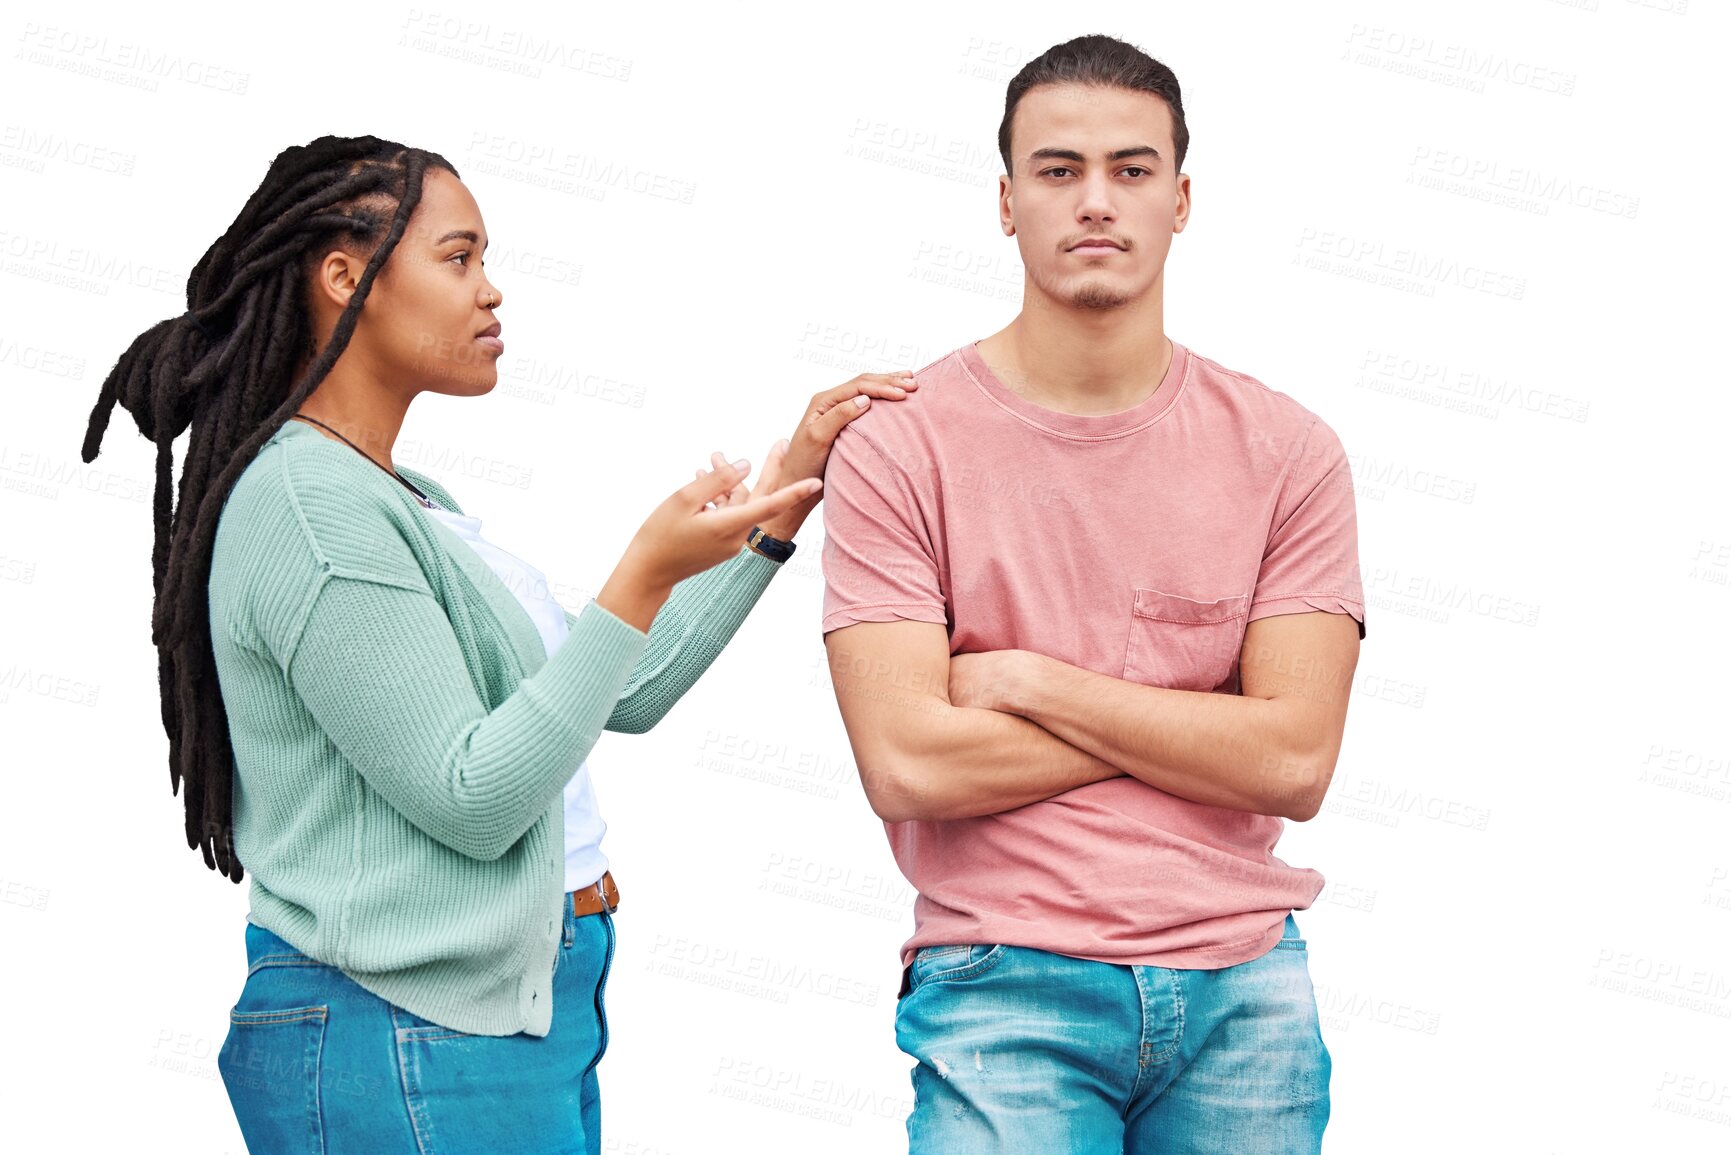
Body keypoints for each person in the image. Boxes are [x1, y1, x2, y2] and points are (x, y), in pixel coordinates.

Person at [78, 134, 917, 1154]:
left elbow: (622, 688)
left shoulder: (408, 502)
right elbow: (472, 797)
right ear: (346, 282)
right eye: (458, 257)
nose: (492, 293)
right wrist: (643, 570)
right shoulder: (310, 507)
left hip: (499, 1019)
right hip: (405, 1029)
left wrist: (778, 500)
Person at [819, 35, 1366, 1154]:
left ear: (1182, 198)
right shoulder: (898, 444)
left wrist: (1026, 682)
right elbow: (909, 764)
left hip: (1245, 989)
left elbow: (1297, 764)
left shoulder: (1290, 451)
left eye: (1131, 169)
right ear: (1007, 201)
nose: (1097, 202)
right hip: (1002, 982)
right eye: (1059, 171)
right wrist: (1204, 720)